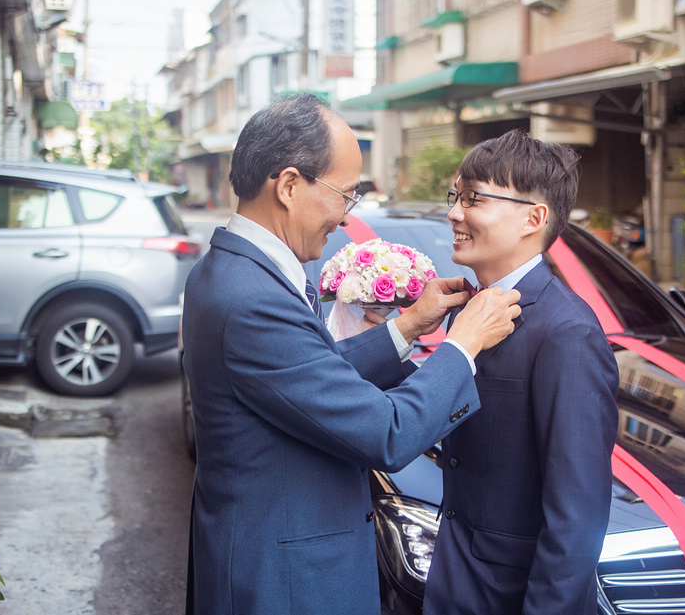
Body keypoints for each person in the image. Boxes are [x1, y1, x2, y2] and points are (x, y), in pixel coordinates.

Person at [181, 92, 522, 615]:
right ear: (290, 185)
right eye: (346, 195)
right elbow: (385, 433)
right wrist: (463, 343)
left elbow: (308, 377)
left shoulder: (236, 269)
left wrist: (407, 325)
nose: (345, 216)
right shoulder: (251, 298)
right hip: (284, 580)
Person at [423, 129, 619, 615]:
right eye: (456, 197)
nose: (454, 213)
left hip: (511, 596)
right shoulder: (467, 312)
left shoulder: (566, 331)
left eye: (473, 199)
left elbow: (577, 515)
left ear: (534, 218)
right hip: (456, 578)